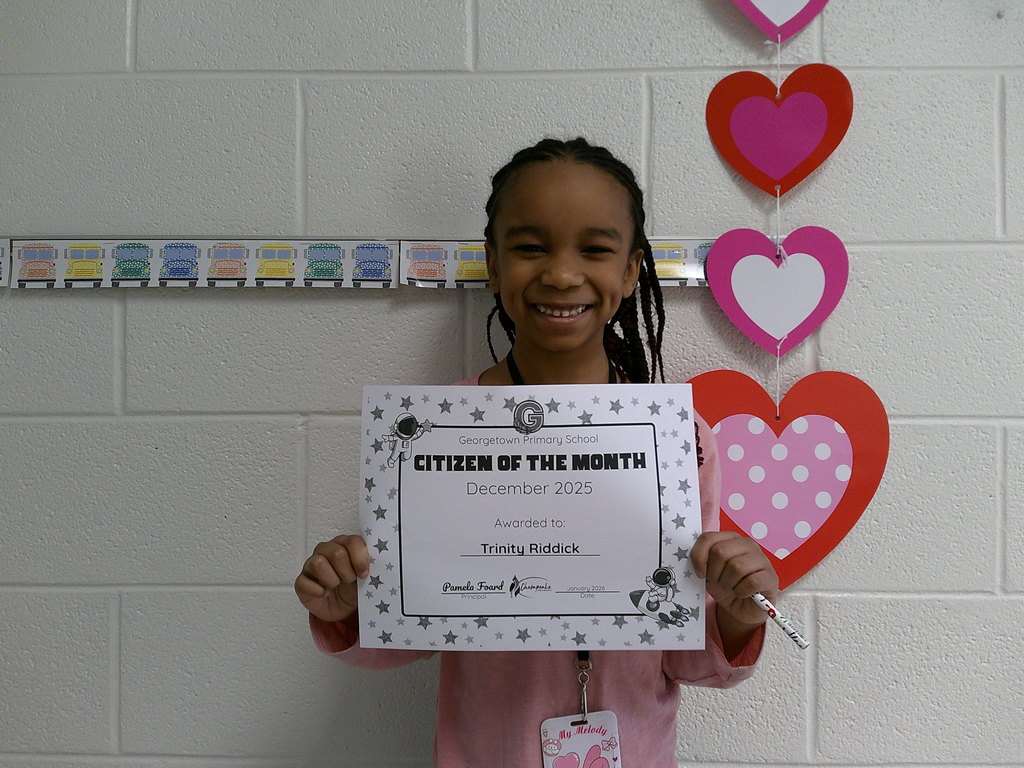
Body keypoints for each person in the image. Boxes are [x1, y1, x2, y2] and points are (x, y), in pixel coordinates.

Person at [294, 137, 780, 767]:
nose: (560, 273)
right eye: (530, 247)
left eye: (596, 249)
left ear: (632, 270)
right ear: (493, 265)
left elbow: (687, 655)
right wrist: (349, 608)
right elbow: (407, 634)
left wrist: (737, 614)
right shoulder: (432, 431)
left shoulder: (679, 441)